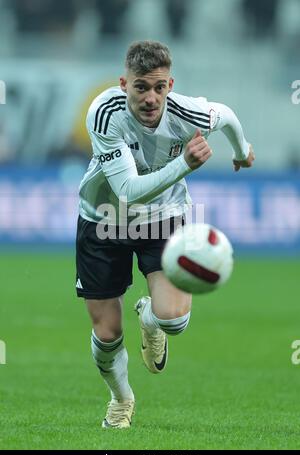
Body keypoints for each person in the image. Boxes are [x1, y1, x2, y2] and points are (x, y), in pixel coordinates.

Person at [76, 40, 255, 429]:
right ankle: (121, 400)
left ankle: (151, 320)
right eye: (141, 87)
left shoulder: (187, 112)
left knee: (174, 319)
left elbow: (225, 115)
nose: (151, 97)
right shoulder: (105, 113)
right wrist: (185, 164)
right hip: (104, 217)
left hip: (164, 217)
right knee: (106, 333)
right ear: (124, 84)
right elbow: (127, 191)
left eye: (159, 87)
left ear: (170, 84)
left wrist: (241, 151)